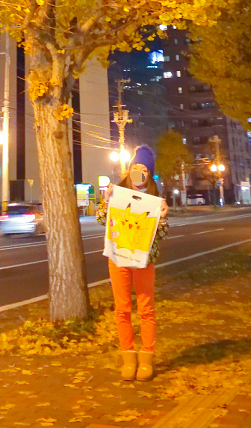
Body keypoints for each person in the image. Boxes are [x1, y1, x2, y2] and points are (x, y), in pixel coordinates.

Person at [96, 145, 168, 382]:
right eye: (135, 167)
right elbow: (101, 220)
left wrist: (164, 217)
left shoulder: (156, 200)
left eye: (144, 169)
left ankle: (147, 356)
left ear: (150, 174)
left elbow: (162, 234)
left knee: (146, 309)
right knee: (122, 309)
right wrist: (106, 202)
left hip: (144, 260)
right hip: (118, 258)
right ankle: (129, 356)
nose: (139, 172)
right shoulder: (118, 193)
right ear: (129, 170)